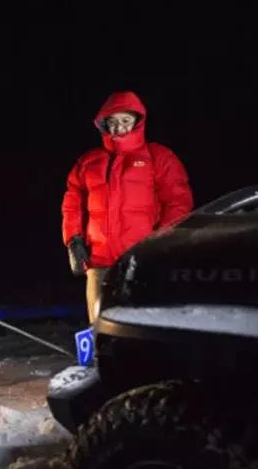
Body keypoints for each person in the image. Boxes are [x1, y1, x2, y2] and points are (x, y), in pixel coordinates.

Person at [61, 91, 193, 323]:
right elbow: (72, 204)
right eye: (112, 122)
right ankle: (99, 360)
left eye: (125, 121)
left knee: (141, 325)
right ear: (103, 125)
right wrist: (73, 239)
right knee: (100, 327)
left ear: (137, 121)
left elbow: (178, 201)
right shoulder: (88, 161)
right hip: (99, 262)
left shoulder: (158, 156)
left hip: (140, 261)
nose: (119, 128)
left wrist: (161, 243)